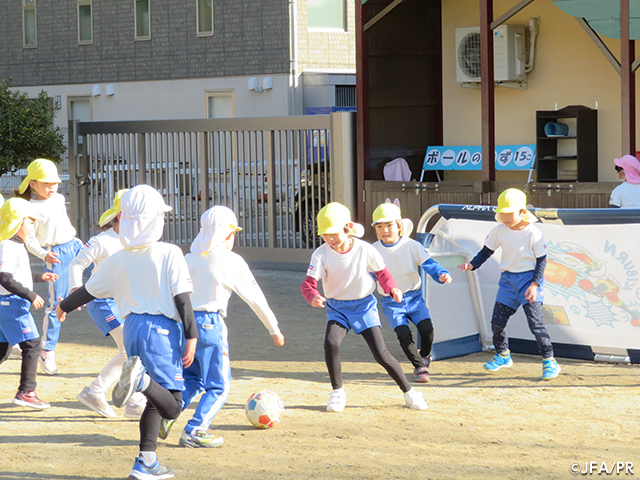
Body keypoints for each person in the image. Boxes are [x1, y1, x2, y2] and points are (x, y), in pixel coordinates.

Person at [57, 185, 198, 480]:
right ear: (154, 220)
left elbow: (87, 291)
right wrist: (192, 336)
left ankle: (146, 462)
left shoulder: (118, 258)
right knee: (173, 405)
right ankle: (141, 381)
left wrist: (63, 306)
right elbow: (182, 299)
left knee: (155, 401)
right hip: (161, 331)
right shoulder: (170, 252)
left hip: (132, 328)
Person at [159, 206, 285, 447]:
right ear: (228, 234)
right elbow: (255, 298)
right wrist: (274, 328)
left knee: (192, 379)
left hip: (183, 325)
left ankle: (168, 414)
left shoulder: (188, 258)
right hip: (209, 325)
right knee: (219, 386)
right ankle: (195, 429)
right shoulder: (231, 260)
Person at [300, 202, 428, 412]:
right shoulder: (320, 254)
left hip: (364, 306)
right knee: (331, 343)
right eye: (325, 234)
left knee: (380, 353)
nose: (330, 239)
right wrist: (313, 296)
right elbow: (308, 284)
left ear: (348, 228)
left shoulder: (366, 249)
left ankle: (410, 392)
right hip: (337, 308)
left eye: (334, 233)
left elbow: (383, 274)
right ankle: (337, 392)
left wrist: (392, 289)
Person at [457, 188, 560, 381]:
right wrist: (472, 265)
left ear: (522, 212)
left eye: (509, 212)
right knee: (497, 322)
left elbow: (542, 260)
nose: (504, 217)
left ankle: (550, 361)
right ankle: (503, 355)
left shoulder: (534, 233)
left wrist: (535, 284)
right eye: (501, 212)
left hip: (529, 281)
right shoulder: (498, 231)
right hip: (507, 282)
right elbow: (486, 251)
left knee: (536, 324)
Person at [68, 189, 146, 419]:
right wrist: (75, 289)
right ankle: (130, 400)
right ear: (121, 216)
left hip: (125, 303)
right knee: (132, 348)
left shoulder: (139, 242)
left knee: (129, 350)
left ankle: (101, 392)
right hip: (102, 302)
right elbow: (76, 263)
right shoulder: (101, 241)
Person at [371, 201, 452, 383]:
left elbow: (429, 264)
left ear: (399, 225)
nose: (385, 230)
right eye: (379, 226)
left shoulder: (412, 245)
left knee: (427, 329)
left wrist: (441, 274)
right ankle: (419, 366)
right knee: (403, 334)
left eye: (389, 225)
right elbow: (367, 275)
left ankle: (425, 355)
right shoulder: (373, 250)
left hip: (414, 298)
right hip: (391, 301)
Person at [16, 159, 83, 375]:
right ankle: (47, 350)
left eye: (55, 182)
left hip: (74, 246)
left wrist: (76, 241)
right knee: (56, 303)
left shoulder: (59, 198)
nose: (52, 187)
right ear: (33, 184)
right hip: (56, 255)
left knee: (102, 280)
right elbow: (29, 240)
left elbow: (63, 224)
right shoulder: (30, 208)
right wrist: (44, 254)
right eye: (46, 183)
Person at [0, 198, 58, 409]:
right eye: (30, 222)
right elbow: (4, 277)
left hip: (9, 303)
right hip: (12, 304)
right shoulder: (8, 245)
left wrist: (40, 277)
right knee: (32, 345)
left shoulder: (16, 244)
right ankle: (26, 392)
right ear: (16, 222)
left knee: (3, 349)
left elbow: (17, 275)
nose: (33, 227)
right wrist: (30, 295)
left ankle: (26, 392)